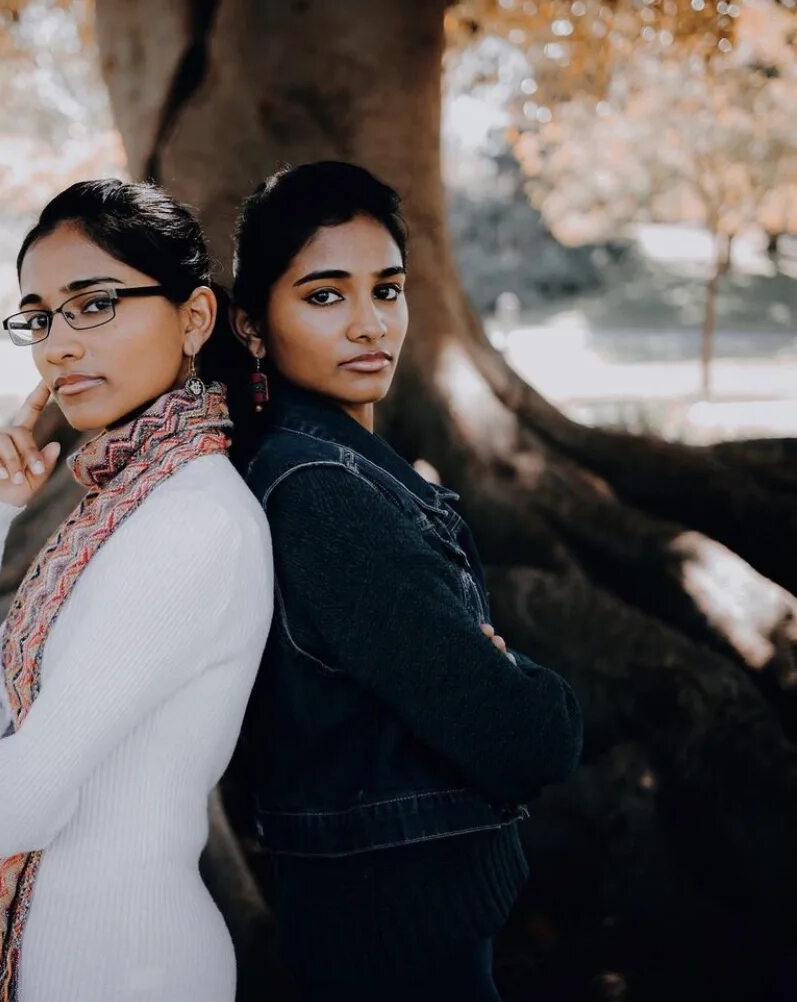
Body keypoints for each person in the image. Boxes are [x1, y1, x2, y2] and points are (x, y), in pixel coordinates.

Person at [220, 161, 584, 1001]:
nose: (368, 325)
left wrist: (480, 665)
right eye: (323, 295)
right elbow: (526, 738)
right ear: (248, 325)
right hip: (391, 942)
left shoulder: (334, 467)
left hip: (403, 923)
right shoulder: (319, 493)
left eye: (386, 290)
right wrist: (524, 683)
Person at [0, 178, 274, 1002]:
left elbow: (11, 813)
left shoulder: (192, 523)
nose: (56, 346)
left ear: (192, 319)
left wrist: (5, 772)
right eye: (39, 317)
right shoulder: (119, 508)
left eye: (94, 304)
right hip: (60, 960)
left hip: (131, 967)